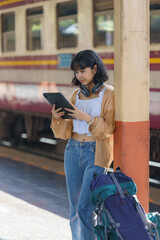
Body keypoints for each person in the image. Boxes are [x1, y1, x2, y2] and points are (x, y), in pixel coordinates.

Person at [50, 49, 115, 240]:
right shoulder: (75, 95)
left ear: (95, 69)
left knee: (86, 208)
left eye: (83, 71)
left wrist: (88, 118)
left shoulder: (109, 94)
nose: (79, 76)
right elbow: (62, 133)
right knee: (74, 211)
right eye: (76, 72)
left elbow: (109, 128)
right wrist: (57, 118)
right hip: (72, 150)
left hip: (96, 152)